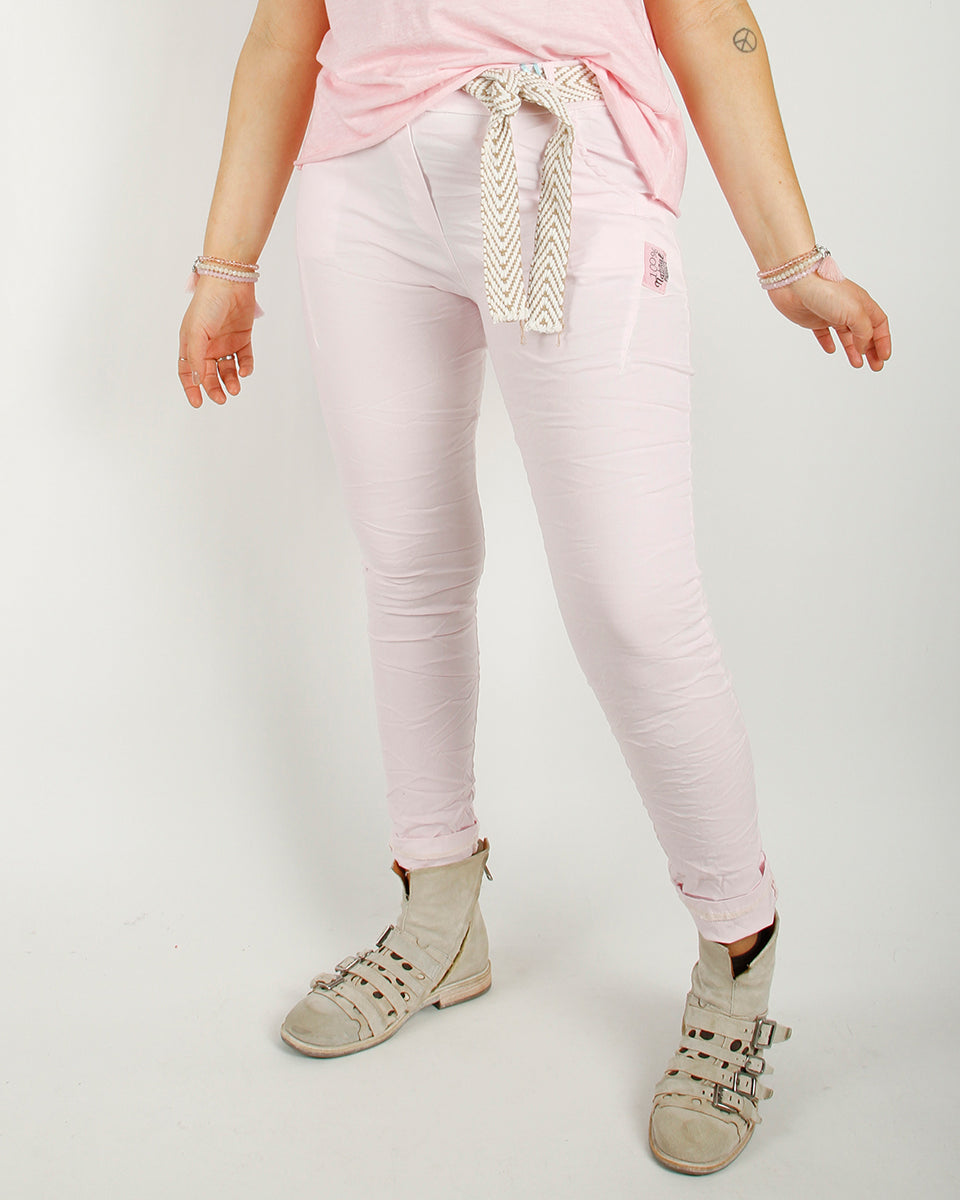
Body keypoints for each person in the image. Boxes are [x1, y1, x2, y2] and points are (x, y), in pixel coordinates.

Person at [177, 0, 891, 1176]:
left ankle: (738, 957)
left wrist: (792, 258)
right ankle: (439, 910)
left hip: (567, 156)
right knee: (409, 563)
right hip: (363, 183)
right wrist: (225, 262)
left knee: (634, 603)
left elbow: (708, 20)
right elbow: (282, 33)